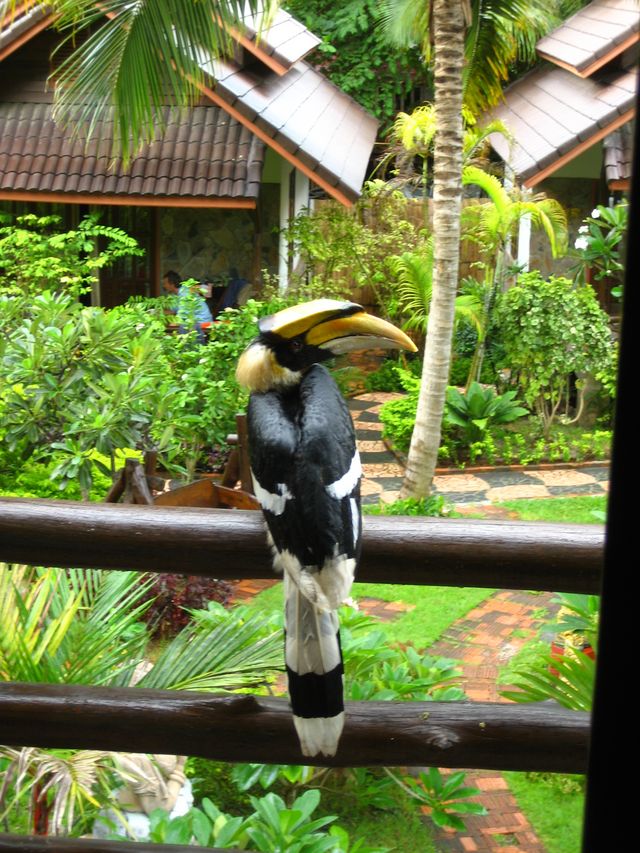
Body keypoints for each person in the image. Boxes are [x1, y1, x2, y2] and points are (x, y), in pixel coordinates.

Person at [161, 270, 212, 340]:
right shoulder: (174, 294)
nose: (163, 286)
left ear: (172, 284)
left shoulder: (185, 294)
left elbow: (179, 319)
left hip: (202, 323)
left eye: (164, 283)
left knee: (173, 332)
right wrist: (156, 313)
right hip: (192, 322)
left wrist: (165, 331)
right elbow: (172, 311)